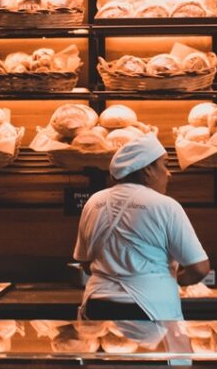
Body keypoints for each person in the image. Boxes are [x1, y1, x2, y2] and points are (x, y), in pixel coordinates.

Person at [73, 133, 210, 321]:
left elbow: (86, 264)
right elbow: (200, 269)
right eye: (165, 164)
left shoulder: (93, 202)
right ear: (147, 170)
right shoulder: (165, 206)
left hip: (98, 307)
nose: (168, 173)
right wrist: (167, 282)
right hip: (151, 309)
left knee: (104, 343)